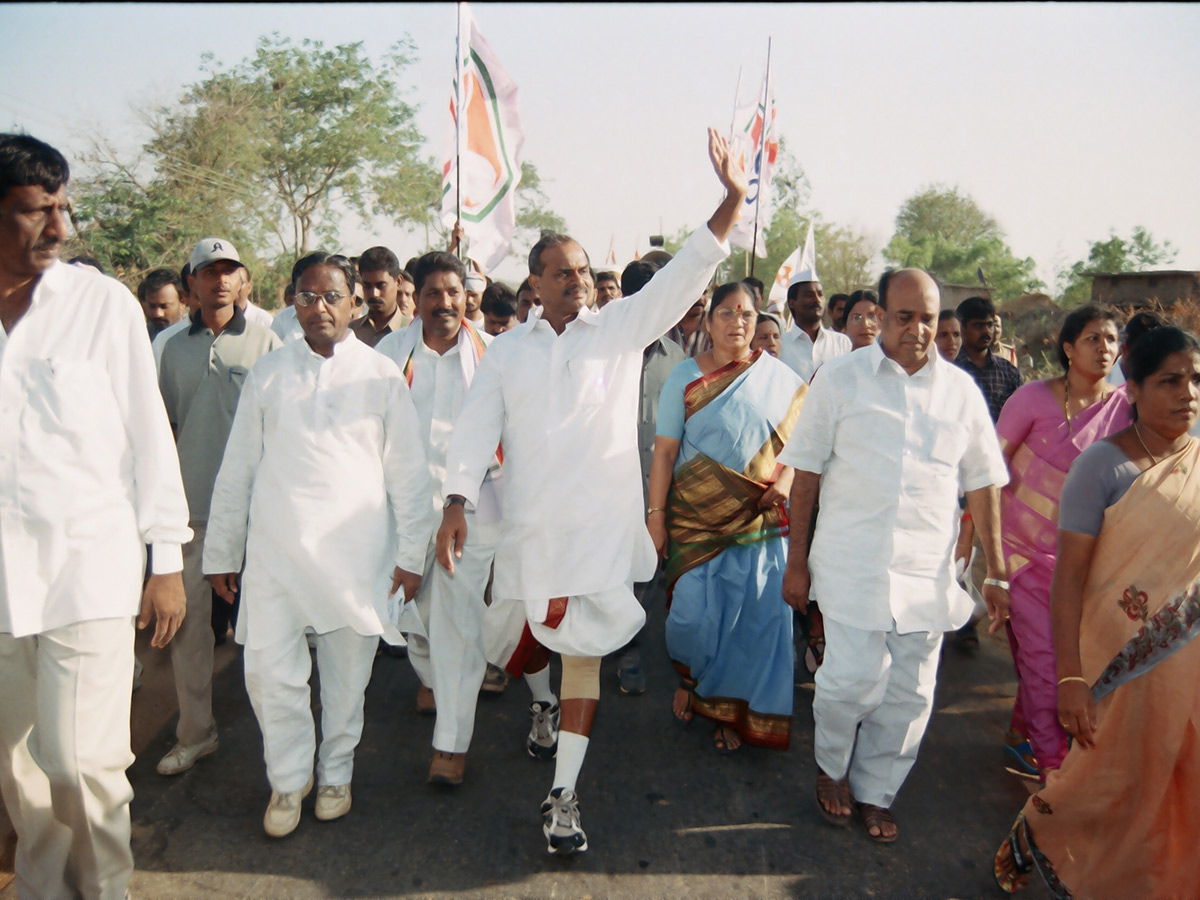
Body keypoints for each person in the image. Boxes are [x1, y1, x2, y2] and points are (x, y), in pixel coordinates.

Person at [436, 128, 746, 856]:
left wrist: (730, 200)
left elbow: (686, 274)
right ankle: (539, 708)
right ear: (534, 284)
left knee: (582, 653)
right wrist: (456, 501)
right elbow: (476, 433)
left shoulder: (620, 330)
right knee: (514, 639)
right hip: (529, 530)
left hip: (599, 535)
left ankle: (563, 797)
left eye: (581, 268)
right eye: (558, 270)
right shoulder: (508, 353)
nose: (574, 278)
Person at [0, 133, 190, 900]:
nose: (59, 230)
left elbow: (149, 436)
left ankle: (104, 891)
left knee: (82, 761)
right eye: (37, 213)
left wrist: (167, 561)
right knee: (16, 767)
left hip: (90, 568)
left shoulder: (99, 305)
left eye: (63, 210)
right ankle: (45, 890)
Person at [203, 252, 433, 838]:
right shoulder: (270, 374)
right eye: (306, 297)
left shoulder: (381, 375)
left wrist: (411, 557)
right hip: (277, 556)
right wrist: (224, 552)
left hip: (356, 559)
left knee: (346, 678)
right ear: (292, 305)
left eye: (332, 296)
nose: (319, 308)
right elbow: (238, 471)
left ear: (354, 302)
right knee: (269, 674)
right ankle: (286, 780)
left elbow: (407, 474)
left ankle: (334, 773)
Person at [780, 268, 1010, 844]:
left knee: (910, 696)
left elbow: (983, 482)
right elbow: (804, 476)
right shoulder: (840, 378)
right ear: (879, 316)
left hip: (926, 574)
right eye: (904, 317)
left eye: (928, 317)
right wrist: (797, 562)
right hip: (851, 566)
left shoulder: (960, 391)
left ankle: (875, 792)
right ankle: (832, 766)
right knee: (849, 684)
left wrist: (999, 571)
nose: (918, 329)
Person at [993, 326, 1200, 899]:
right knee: (1112, 783)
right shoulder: (1102, 467)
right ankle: (1041, 830)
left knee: (1181, 783)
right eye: (1170, 381)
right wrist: (1071, 678)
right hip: (1115, 662)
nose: (1189, 393)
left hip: (1189, 665)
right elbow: (1070, 579)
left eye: (1196, 379)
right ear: (1131, 388)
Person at [651, 282, 806, 752]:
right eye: (725, 313)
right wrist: (655, 516)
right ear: (708, 319)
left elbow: (801, 447)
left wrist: (784, 483)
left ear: (757, 320)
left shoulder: (781, 379)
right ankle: (692, 677)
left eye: (746, 314)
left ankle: (729, 707)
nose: (736, 323)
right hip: (695, 519)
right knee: (691, 618)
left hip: (759, 522)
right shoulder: (682, 376)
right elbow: (664, 453)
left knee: (753, 620)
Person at [155, 237, 282, 778]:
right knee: (190, 630)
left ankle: (281, 740)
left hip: (259, 512)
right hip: (190, 513)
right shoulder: (167, 345)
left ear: (244, 282)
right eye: (208, 272)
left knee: (271, 628)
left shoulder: (270, 343)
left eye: (230, 271)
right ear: (192, 285)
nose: (220, 281)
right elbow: (161, 429)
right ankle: (196, 732)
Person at [376, 250, 503, 786]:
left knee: (457, 627)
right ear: (416, 297)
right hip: (404, 513)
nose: (445, 303)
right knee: (407, 618)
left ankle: (450, 744)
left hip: (471, 511)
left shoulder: (493, 355)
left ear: (466, 295)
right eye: (433, 293)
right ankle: (433, 676)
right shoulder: (389, 355)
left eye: (454, 292)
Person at [994, 305, 1131, 780]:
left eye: (1111, 340)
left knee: (1058, 655)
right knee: (1045, 660)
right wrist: (981, 550)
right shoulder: (1032, 398)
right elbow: (990, 474)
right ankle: (1054, 771)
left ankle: (1021, 733)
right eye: (1093, 338)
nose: (1104, 348)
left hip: (1082, 559)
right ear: (1069, 348)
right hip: (1020, 555)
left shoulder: (1125, 409)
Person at [613, 256, 687, 696]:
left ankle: (630, 651)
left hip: (655, 488)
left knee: (646, 571)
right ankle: (605, 643)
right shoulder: (602, 348)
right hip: (607, 484)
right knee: (608, 569)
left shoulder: (677, 357)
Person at [778, 264, 851, 382]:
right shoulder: (781, 345)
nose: (817, 300)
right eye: (809, 295)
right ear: (792, 303)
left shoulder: (842, 343)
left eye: (820, 295)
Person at [955, 295, 1022, 422]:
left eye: (990, 325)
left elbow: (1022, 415)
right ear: (962, 328)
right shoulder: (951, 369)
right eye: (978, 325)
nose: (986, 331)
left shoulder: (1008, 372)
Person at [353, 245, 411, 347]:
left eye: (381, 285)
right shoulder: (350, 333)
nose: (374, 293)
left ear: (398, 282)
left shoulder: (414, 332)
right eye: (367, 286)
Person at [138, 266, 184, 338]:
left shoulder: (196, 339)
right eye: (152, 306)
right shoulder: (141, 337)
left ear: (182, 302)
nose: (158, 314)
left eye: (164, 306)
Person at [666, 289, 710, 357]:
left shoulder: (716, 328)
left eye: (704, 292)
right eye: (693, 292)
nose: (700, 298)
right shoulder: (663, 328)